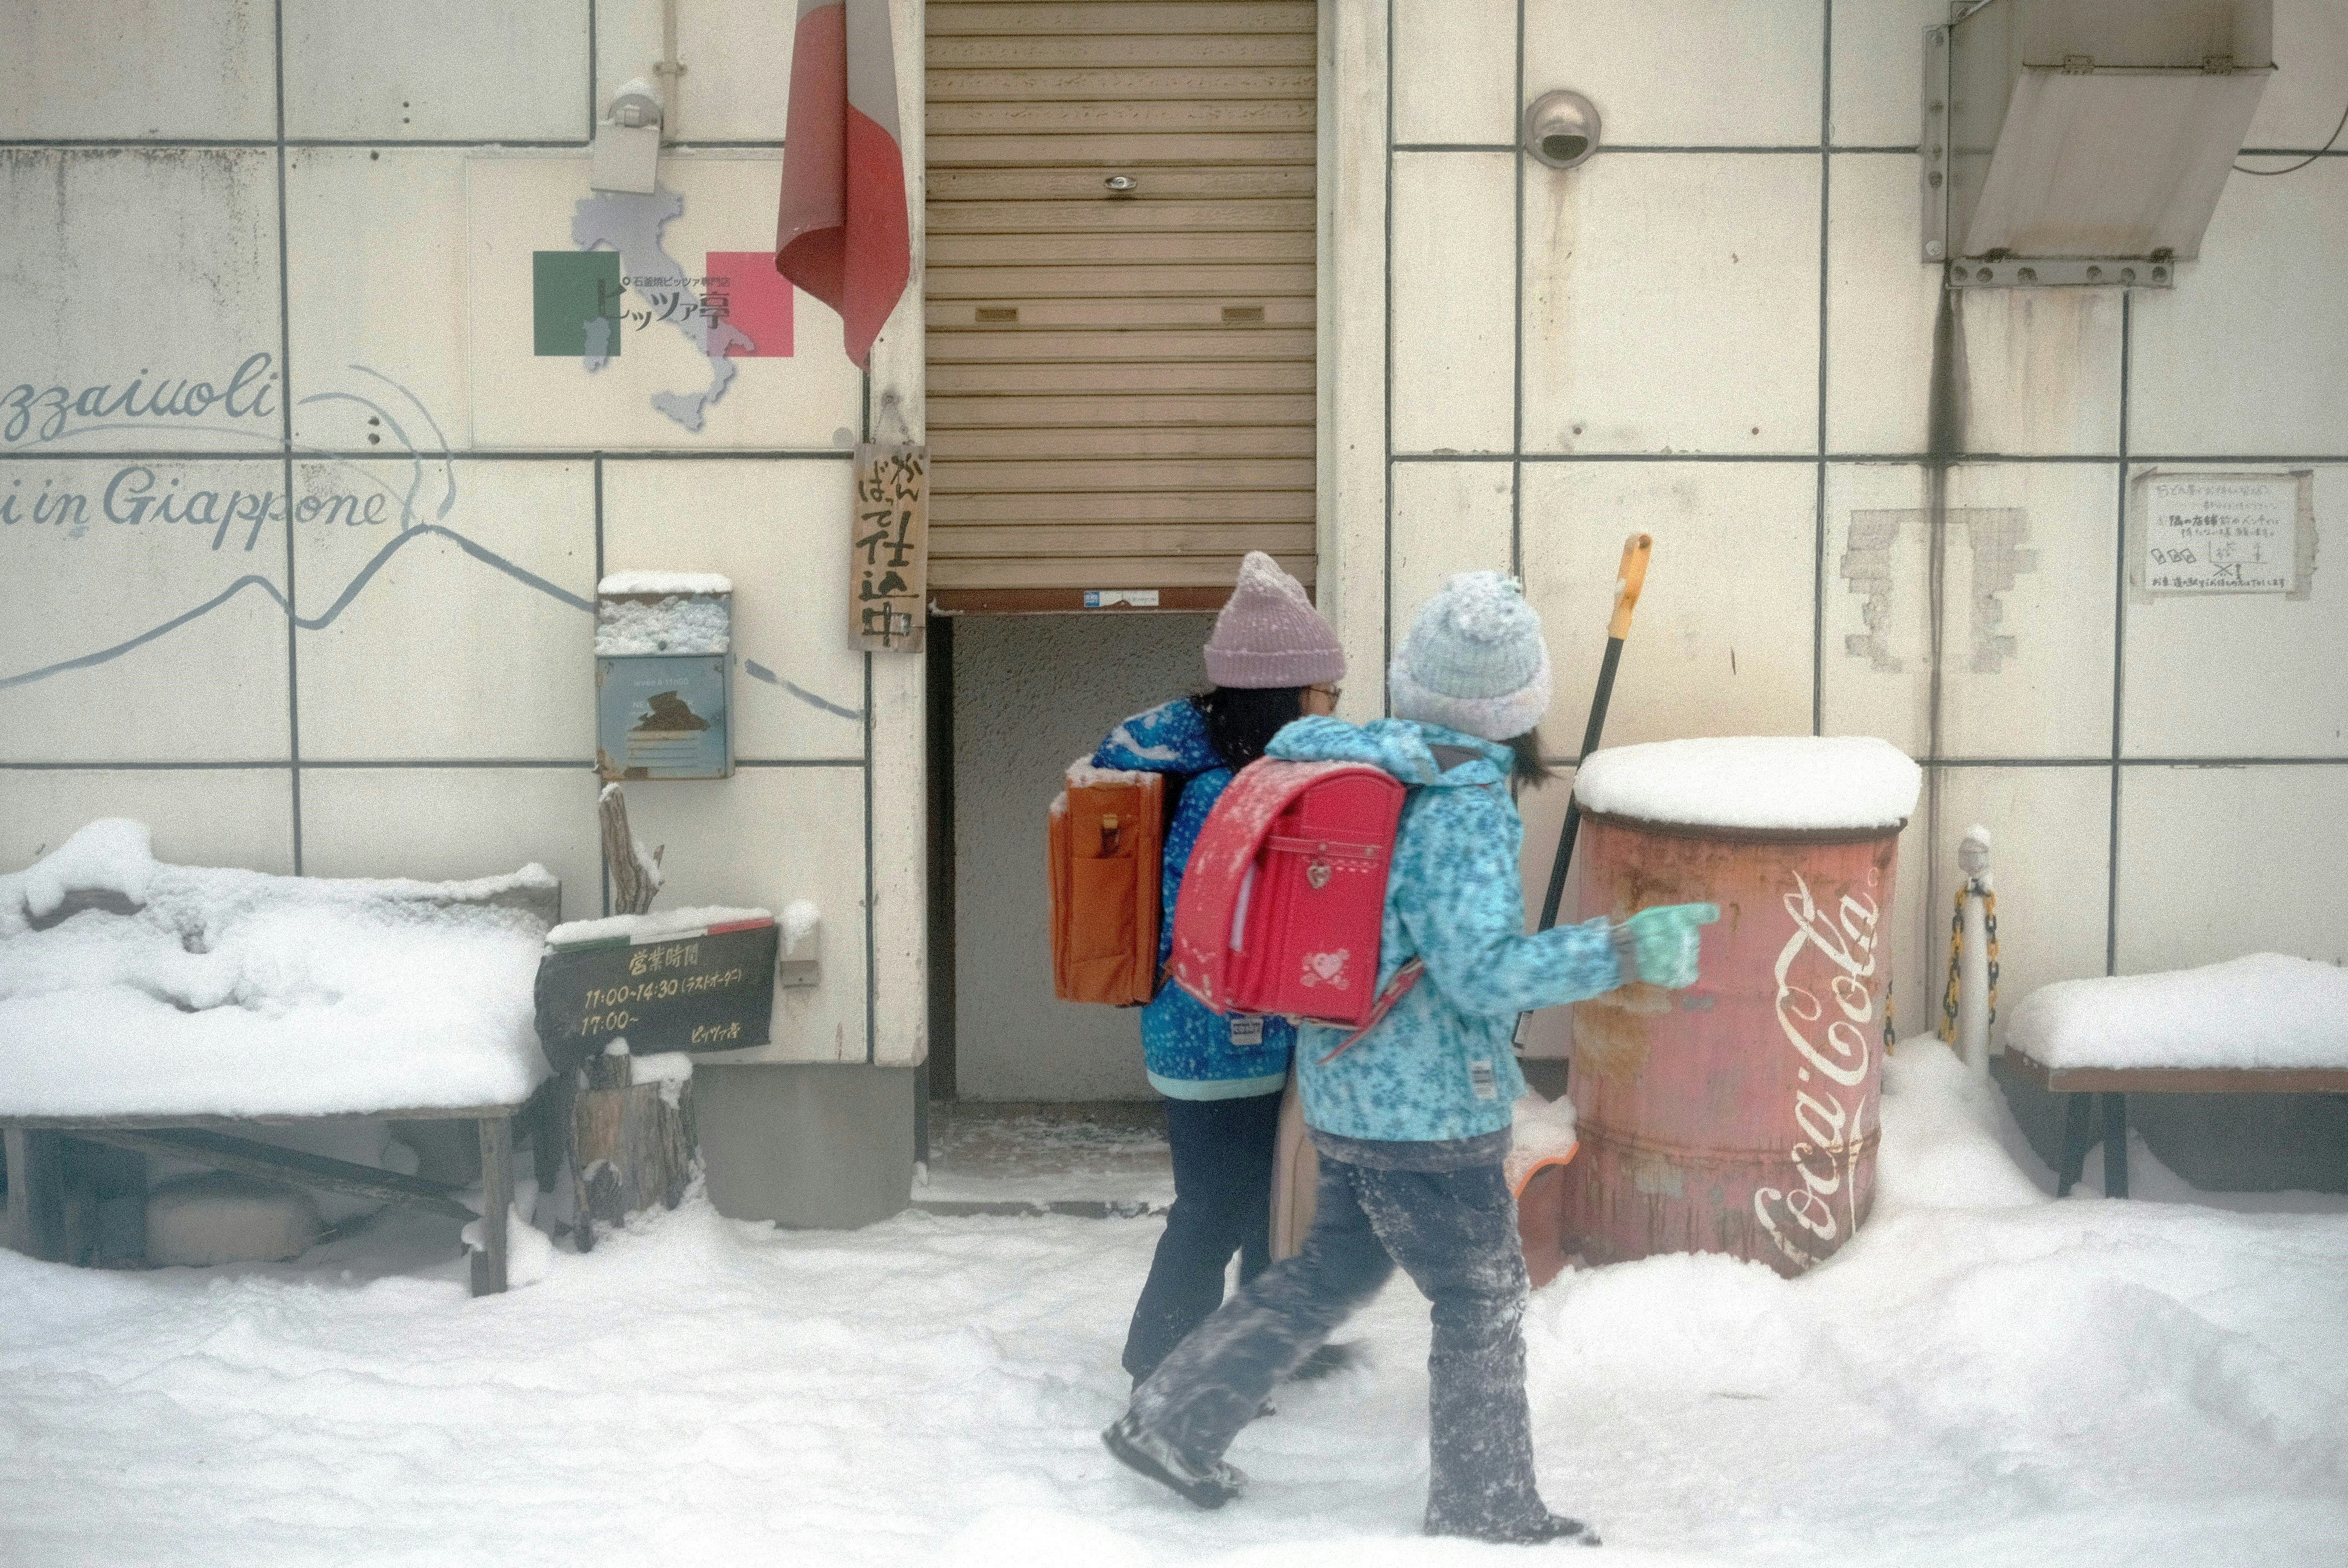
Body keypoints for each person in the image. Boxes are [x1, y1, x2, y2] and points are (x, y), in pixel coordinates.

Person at [1102, 571, 1719, 1546]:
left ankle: (1170, 1420)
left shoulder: (1364, 774)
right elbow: (1479, 974)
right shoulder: (1462, 803)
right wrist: (1623, 948)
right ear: (1520, 705)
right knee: (1481, 1296)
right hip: (1430, 1107)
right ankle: (1485, 1504)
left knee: (1333, 1271)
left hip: (1344, 1082)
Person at [1089, 551, 1347, 1387]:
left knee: (1268, 1199)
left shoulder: (1239, 771)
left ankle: (1257, 1346)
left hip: (1246, 1032)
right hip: (1214, 1035)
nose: (1336, 707)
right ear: (1284, 695)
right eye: (1325, 692)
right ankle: (1160, 1361)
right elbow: (1236, 922)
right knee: (1216, 1206)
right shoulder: (1224, 793)